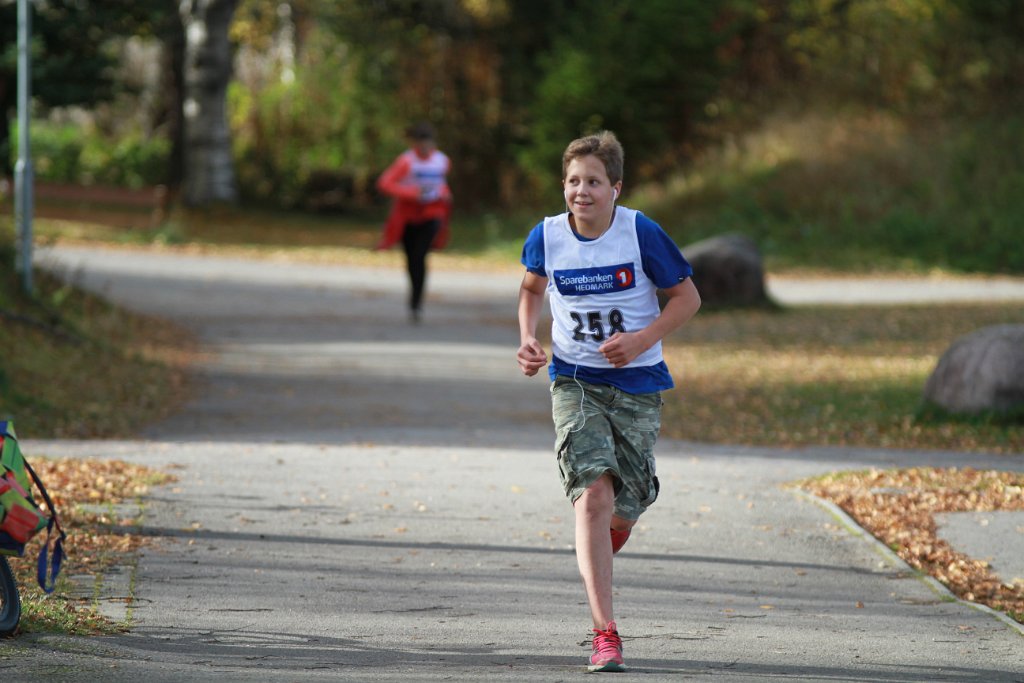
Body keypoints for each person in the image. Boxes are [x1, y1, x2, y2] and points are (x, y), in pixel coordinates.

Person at [516, 131, 701, 672]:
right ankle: (605, 633)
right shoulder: (547, 236)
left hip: (638, 383)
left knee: (627, 501)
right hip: (575, 380)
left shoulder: (640, 232)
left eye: (594, 181)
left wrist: (641, 340)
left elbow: (687, 297)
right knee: (593, 495)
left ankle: (609, 531)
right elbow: (532, 289)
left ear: (615, 188)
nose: (582, 191)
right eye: (573, 181)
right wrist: (528, 338)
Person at [375, 121, 452, 323]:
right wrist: (412, 193)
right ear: (415, 144)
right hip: (408, 217)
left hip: (432, 215)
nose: (425, 148)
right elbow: (385, 183)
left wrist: (444, 194)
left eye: (428, 143)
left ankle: (417, 303)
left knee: (420, 255)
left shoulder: (442, 161)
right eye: (420, 144)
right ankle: (414, 299)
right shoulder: (406, 161)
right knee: (411, 259)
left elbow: (441, 184)